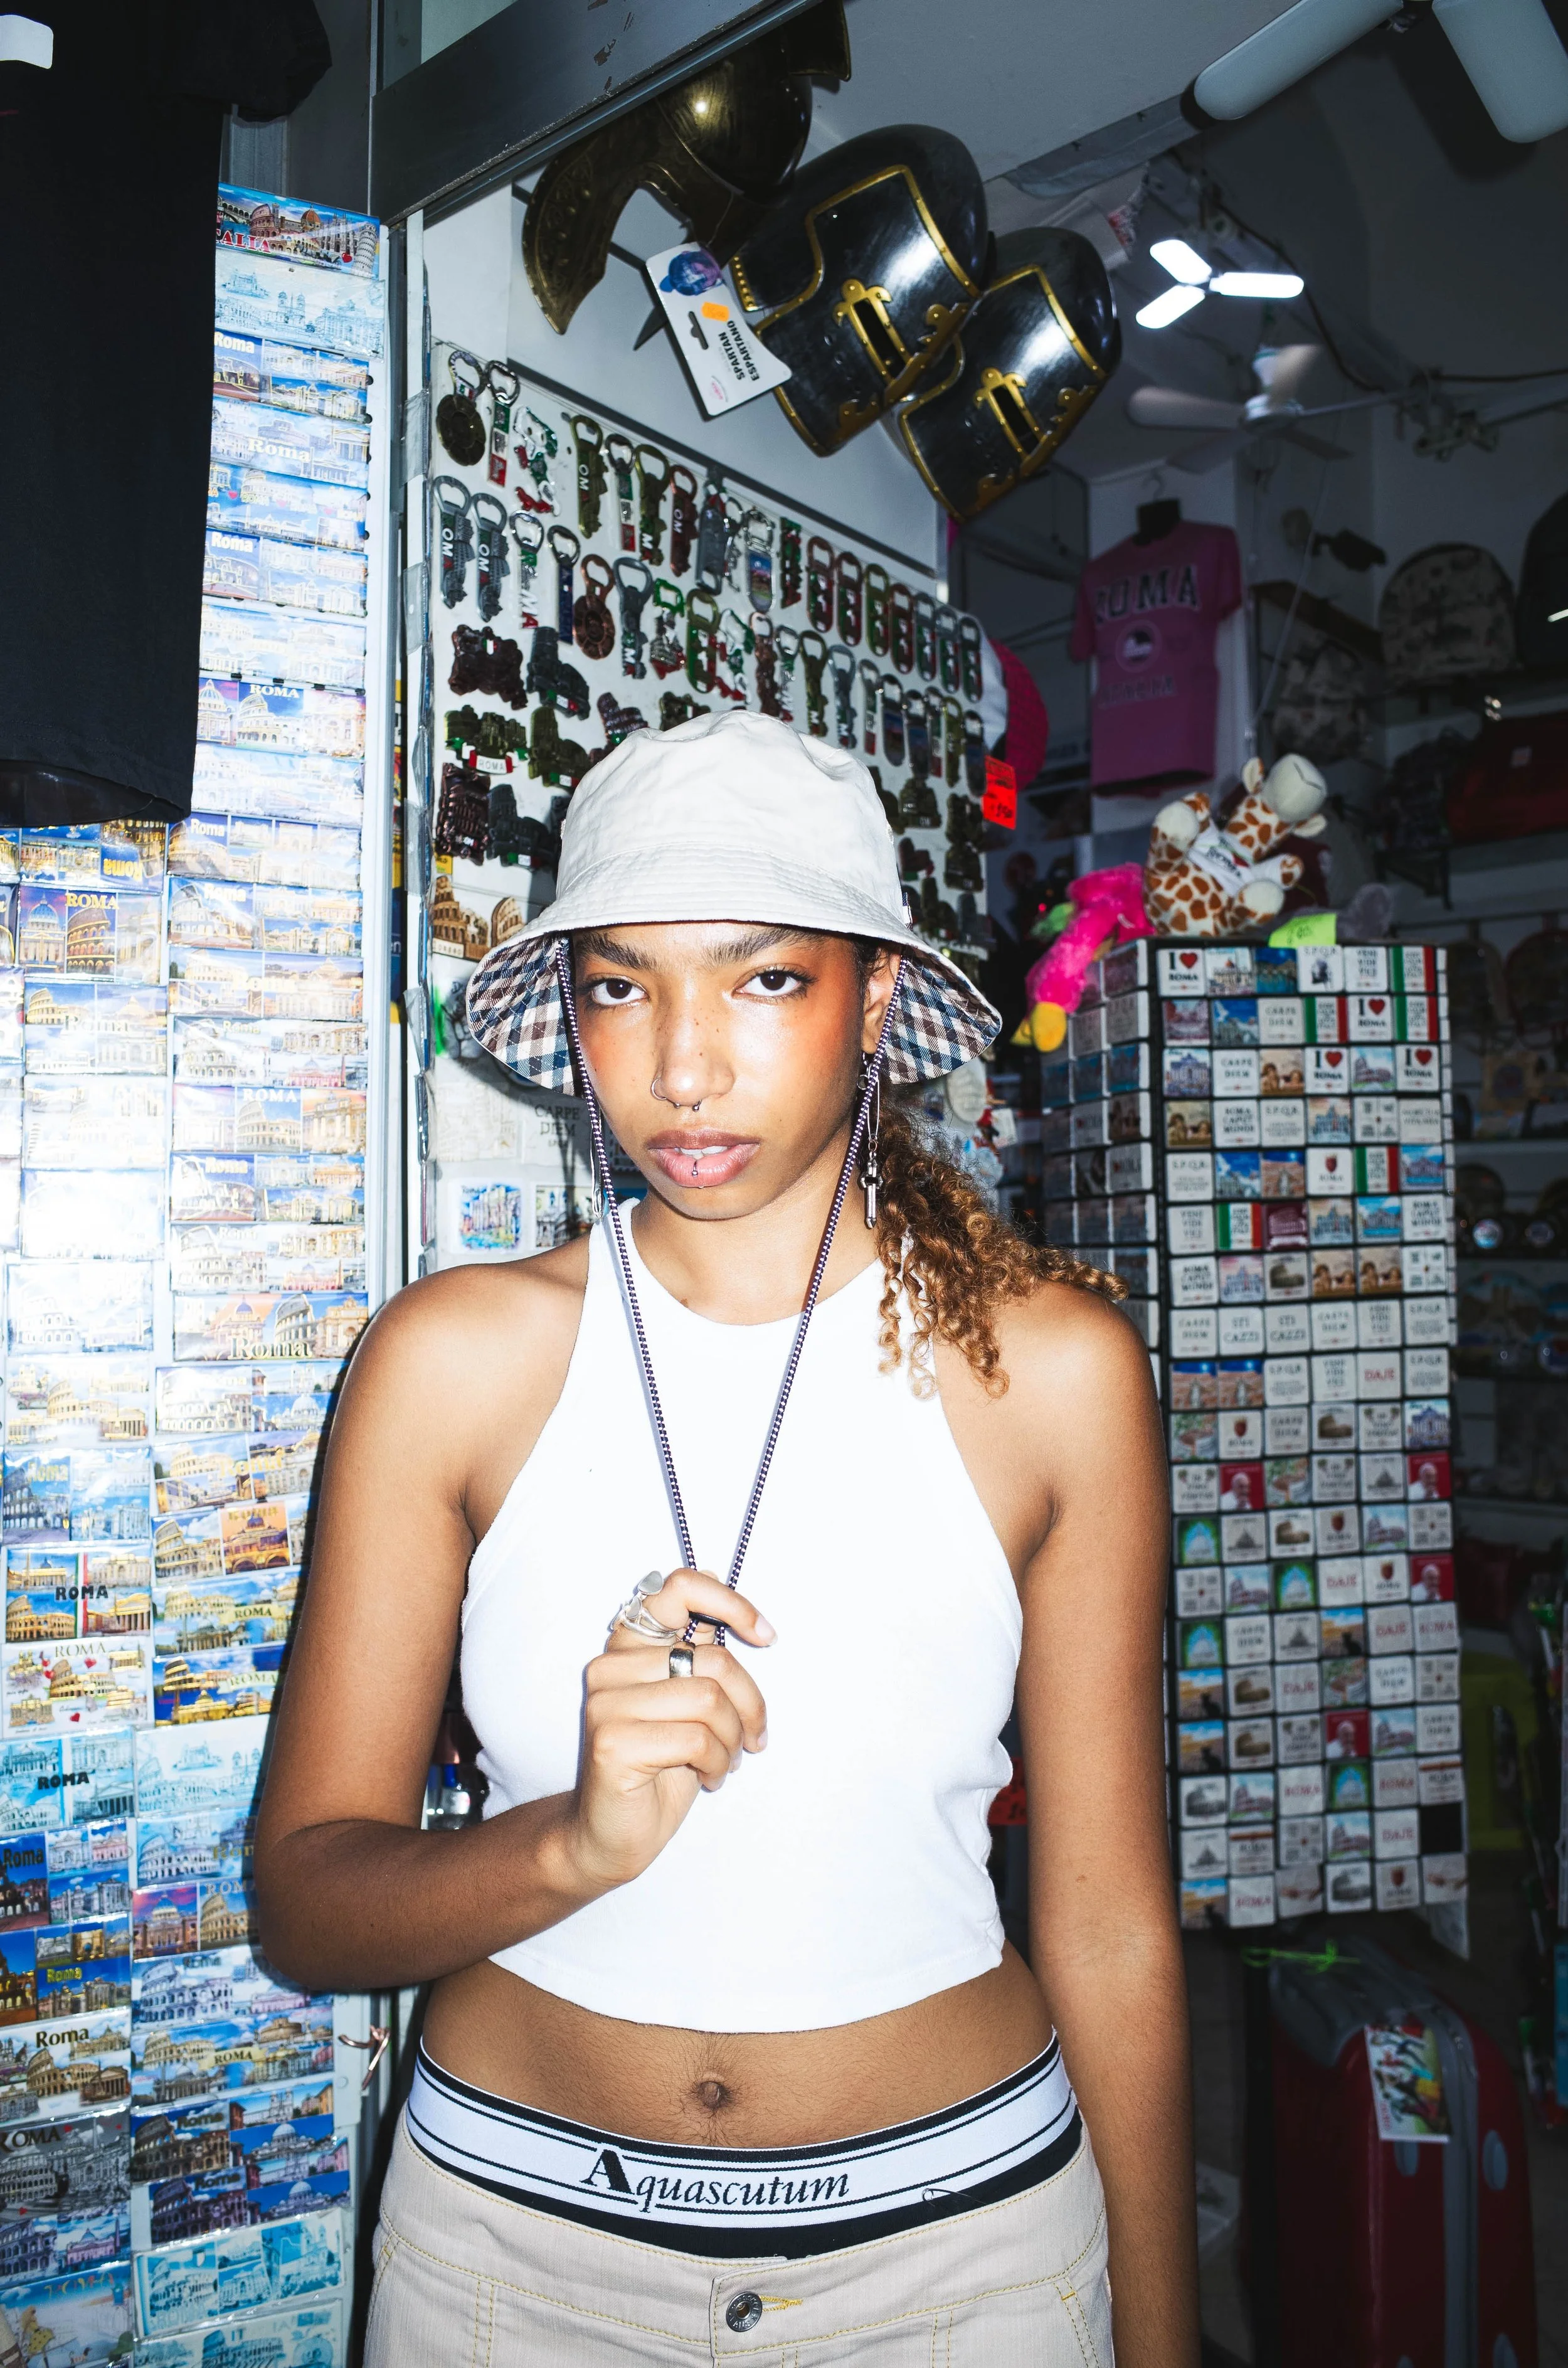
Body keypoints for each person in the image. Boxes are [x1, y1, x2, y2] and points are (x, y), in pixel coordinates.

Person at [255, 711, 1196, 2366]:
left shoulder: (1049, 1374)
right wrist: (567, 1844)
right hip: (514, 2262)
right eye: (621, 983)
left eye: (760, 979)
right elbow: (309, 1905)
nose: (681, 1064)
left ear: (875, 999)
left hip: (956, 2254)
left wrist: (1165, 2337)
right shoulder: (450, 1362)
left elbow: (1110, 1919)